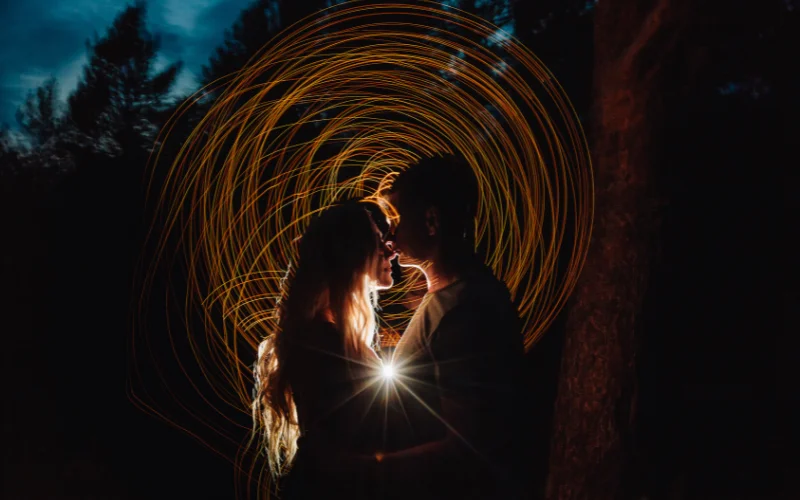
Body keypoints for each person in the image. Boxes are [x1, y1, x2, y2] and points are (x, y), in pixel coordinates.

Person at [379, 154, 532, 499]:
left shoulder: (467, 311)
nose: (391, 234)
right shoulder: (454, 299)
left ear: (431, 220)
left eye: (398, 219)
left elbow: (467, 449)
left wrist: (365, 466)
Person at [251, 201, 396, 499]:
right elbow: (338, 457)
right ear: (351, 253)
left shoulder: (322, 336)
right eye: (377, 238)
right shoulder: (325, 345)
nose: (390, 249)